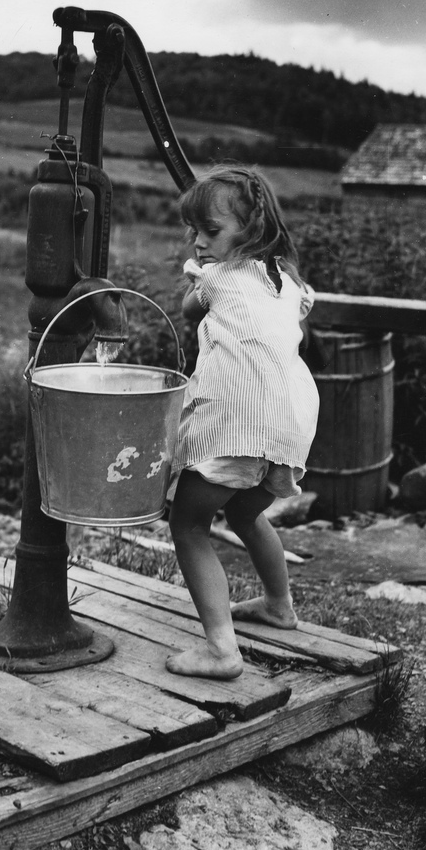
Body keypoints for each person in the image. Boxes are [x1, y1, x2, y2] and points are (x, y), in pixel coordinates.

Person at [165, 163, 319, 679]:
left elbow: (190, 310)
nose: (199, 242)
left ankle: (221, 651)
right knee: (247, 514)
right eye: (194, 232)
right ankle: (279, 605)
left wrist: (198, 275)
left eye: (211, 232)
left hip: (240, 415)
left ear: (250, 231)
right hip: (291, 419)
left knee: (187, 523)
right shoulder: (290, 282)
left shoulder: (216, 276)